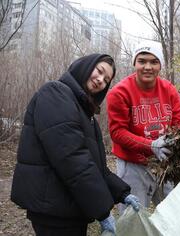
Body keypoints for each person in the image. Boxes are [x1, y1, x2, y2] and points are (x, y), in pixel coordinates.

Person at [10, 54, 140, 236]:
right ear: (85, 66)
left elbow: (97, 166)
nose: (100, 80)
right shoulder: (55, 94)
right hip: (54, 210)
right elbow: (73, 160)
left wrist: (122, 193)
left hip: (71, 207)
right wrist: (102, 211)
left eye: (106, 80)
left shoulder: (85, 112)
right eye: (99, 71)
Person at [107, 41, 180, 213]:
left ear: (160, 65)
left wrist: (172, 143)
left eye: (154, 62)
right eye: (142, 61)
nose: (147, 67)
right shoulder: (120, 92)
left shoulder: (169, 90)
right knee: (132, 218)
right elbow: (117, 132)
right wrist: (150, 145)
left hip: (164, 164)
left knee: (174, 215)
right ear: (134, 63)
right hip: (133, 166)